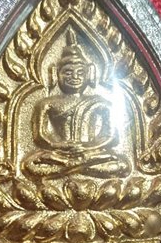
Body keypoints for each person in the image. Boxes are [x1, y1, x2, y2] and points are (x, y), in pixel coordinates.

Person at [22, 28, 130, 179]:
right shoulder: (46, 104)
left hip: (90, 153)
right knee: (29, 164)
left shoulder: (101, 103)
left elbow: (111, 137)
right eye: (67, 72)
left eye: (80, 73)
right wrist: (60, 146)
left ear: (89, 74)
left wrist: (87, 148)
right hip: (59, 154)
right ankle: (77, 166)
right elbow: (40, 136)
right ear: (55, 74)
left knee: (123, 165)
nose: (74, 77)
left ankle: (69, 167)